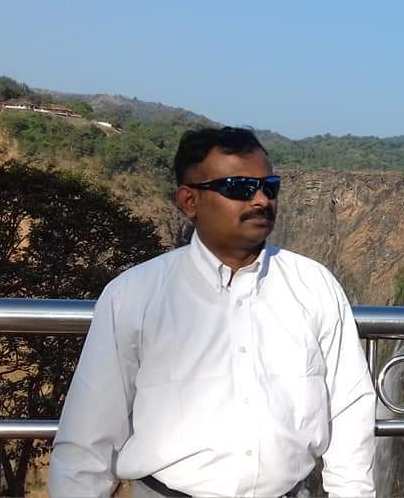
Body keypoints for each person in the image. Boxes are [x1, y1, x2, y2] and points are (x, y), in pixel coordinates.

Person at [48, 127, 376, 497]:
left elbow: (349, 412)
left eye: (269, 187)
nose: (261, 200)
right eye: (239, 188)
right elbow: (87, 440)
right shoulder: (134, 295)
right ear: (189, 201)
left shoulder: (314, 286)